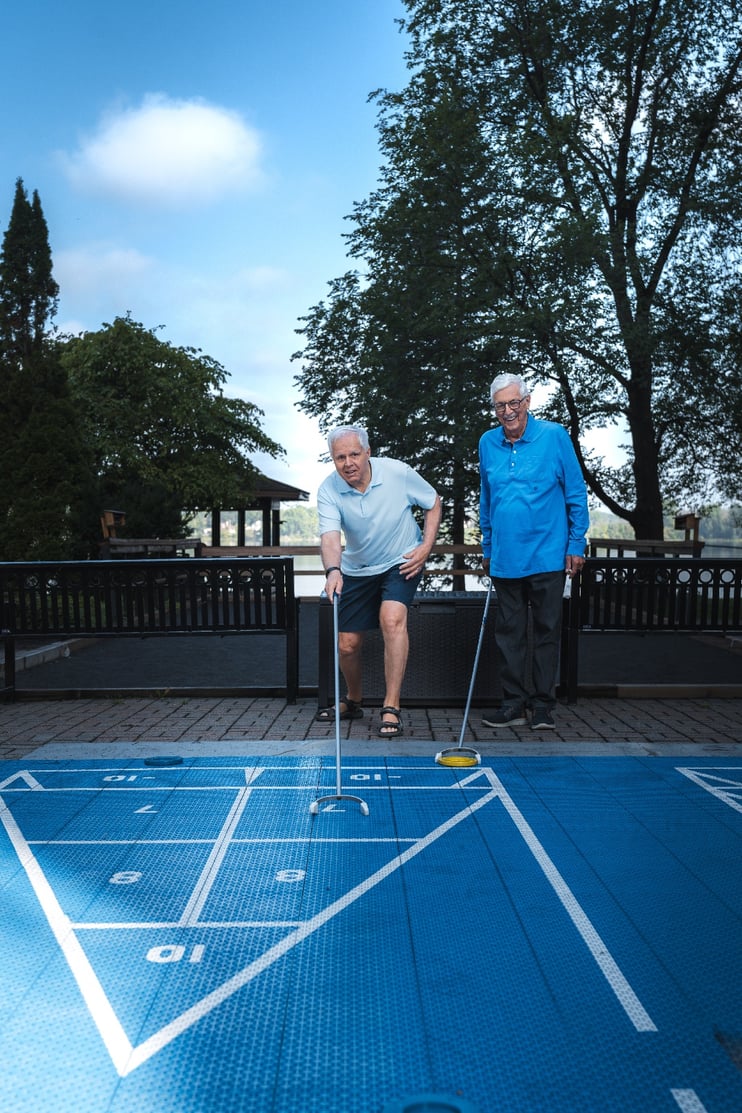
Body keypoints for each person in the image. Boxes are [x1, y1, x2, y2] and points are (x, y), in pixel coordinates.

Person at [479, 373, 589, 730]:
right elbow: (487, 499)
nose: (508, 411)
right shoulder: (487, 443)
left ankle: (542, 705)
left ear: (527, 402)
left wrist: (576, 544)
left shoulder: (554, 437)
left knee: (545, 632)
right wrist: (488, 545)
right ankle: (513, 704)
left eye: (514, 403)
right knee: (509, 635)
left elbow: (575, 493)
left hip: (548, 555)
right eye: (500, 405)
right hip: (506, 558)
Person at [316, 425, 442, 737]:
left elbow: (433, 501)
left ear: (368, 453)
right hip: (356, 568)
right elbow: (330, 539)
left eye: (354, 454)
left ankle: (391, 707)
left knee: (392, 618)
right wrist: (333, 571)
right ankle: (354, 700)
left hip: (400, 560)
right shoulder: (329, 489)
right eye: (340, 457)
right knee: (347, 644)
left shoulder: (397, 473)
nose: (348, 463)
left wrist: (425, 547)